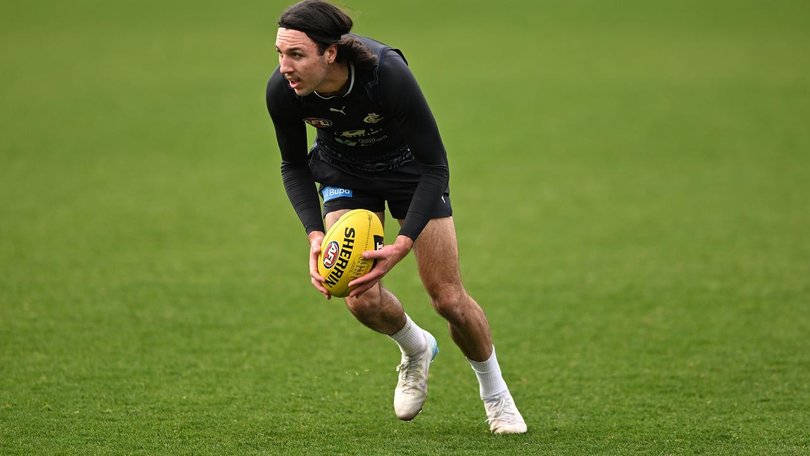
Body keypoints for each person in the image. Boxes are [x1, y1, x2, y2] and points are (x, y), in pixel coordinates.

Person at [265, 0, 527, 434]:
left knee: (448, 299)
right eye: (279, 53)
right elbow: (293, 165)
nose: (284, 66)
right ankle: (415, 347)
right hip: (344, 174)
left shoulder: (386, 74)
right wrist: (314, 234)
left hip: (410, 172)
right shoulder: (282, 91)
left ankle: (496, 395)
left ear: (330, 53)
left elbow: (435, 166)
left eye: (296, 55)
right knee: (358, 295)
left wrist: (403, 242)